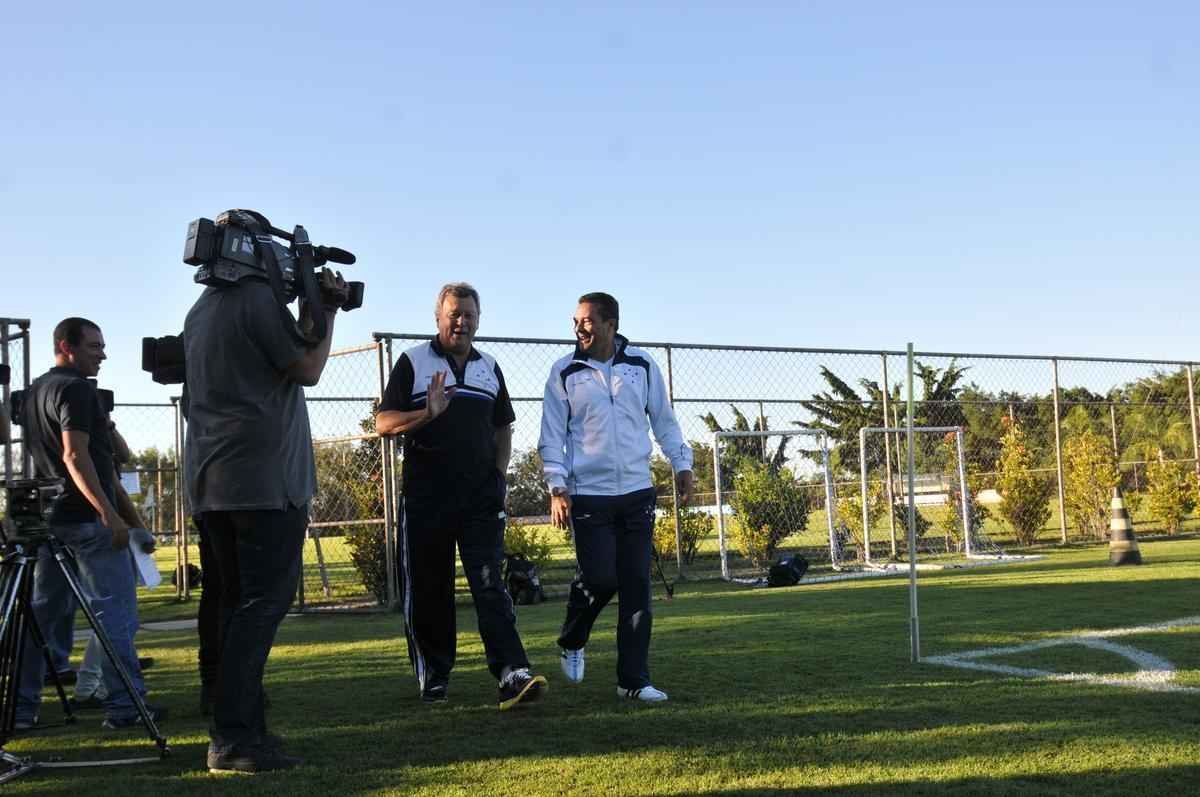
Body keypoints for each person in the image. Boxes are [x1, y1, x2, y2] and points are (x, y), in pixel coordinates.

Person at [184, 212, 348, 774]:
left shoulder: (200, 310)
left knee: (231, 606)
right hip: (261, 481)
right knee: (261, 604)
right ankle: (233, 737)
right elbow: (307, 366)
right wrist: (324, 307)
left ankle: (236, 721)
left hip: (211, 484)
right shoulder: (254, 299)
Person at [376, 282, 546, 711]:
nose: (461, 321)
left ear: (478, 320)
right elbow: (383, 422)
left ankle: (512, 673)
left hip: (479, 501)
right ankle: (434, 676)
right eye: (454, 313)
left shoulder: (490, 366)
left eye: (469, 314)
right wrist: (426, 414)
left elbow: (502, 427)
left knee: (491, 586)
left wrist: (499, 477)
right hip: (426, 498)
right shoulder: (413, 362)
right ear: (438, 317)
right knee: (431, 590)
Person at [538, 292, 694, 702]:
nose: (579, 328)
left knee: (637, 586)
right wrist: (557, 486)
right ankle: (573, 638)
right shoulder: (564, 372)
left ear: (611, 324)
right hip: (589, 494)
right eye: (575, 321)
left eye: (587, 321)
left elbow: (664, 420)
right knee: (600, 578)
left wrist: (681, 463)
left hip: (637, 493)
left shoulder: (642, 366)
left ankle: (633, 681)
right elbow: (551, 437)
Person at [15, 317, 162, 730]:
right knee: (115, 614)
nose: (103, 353)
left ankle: (22, 709)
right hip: (85, 519)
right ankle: (125, 707)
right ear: (67, 345)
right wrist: (109, 513)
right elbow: (76, 456)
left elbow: (115, 455)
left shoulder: (34, 393)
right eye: (95, 346)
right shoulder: (76, 389)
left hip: (50, 519)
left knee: (43, 618)